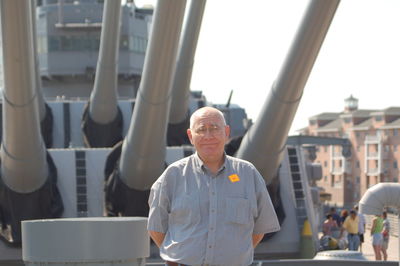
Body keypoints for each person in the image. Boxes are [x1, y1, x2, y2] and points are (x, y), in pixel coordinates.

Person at [147, 107, 280, 266]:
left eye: (215, 129)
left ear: (226, 132)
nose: (208, 136)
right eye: (201, 130)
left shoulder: (248, 174)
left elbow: (260, 228)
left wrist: (234, 256)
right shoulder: (172, 176)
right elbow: (156, 227)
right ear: (191, 136)